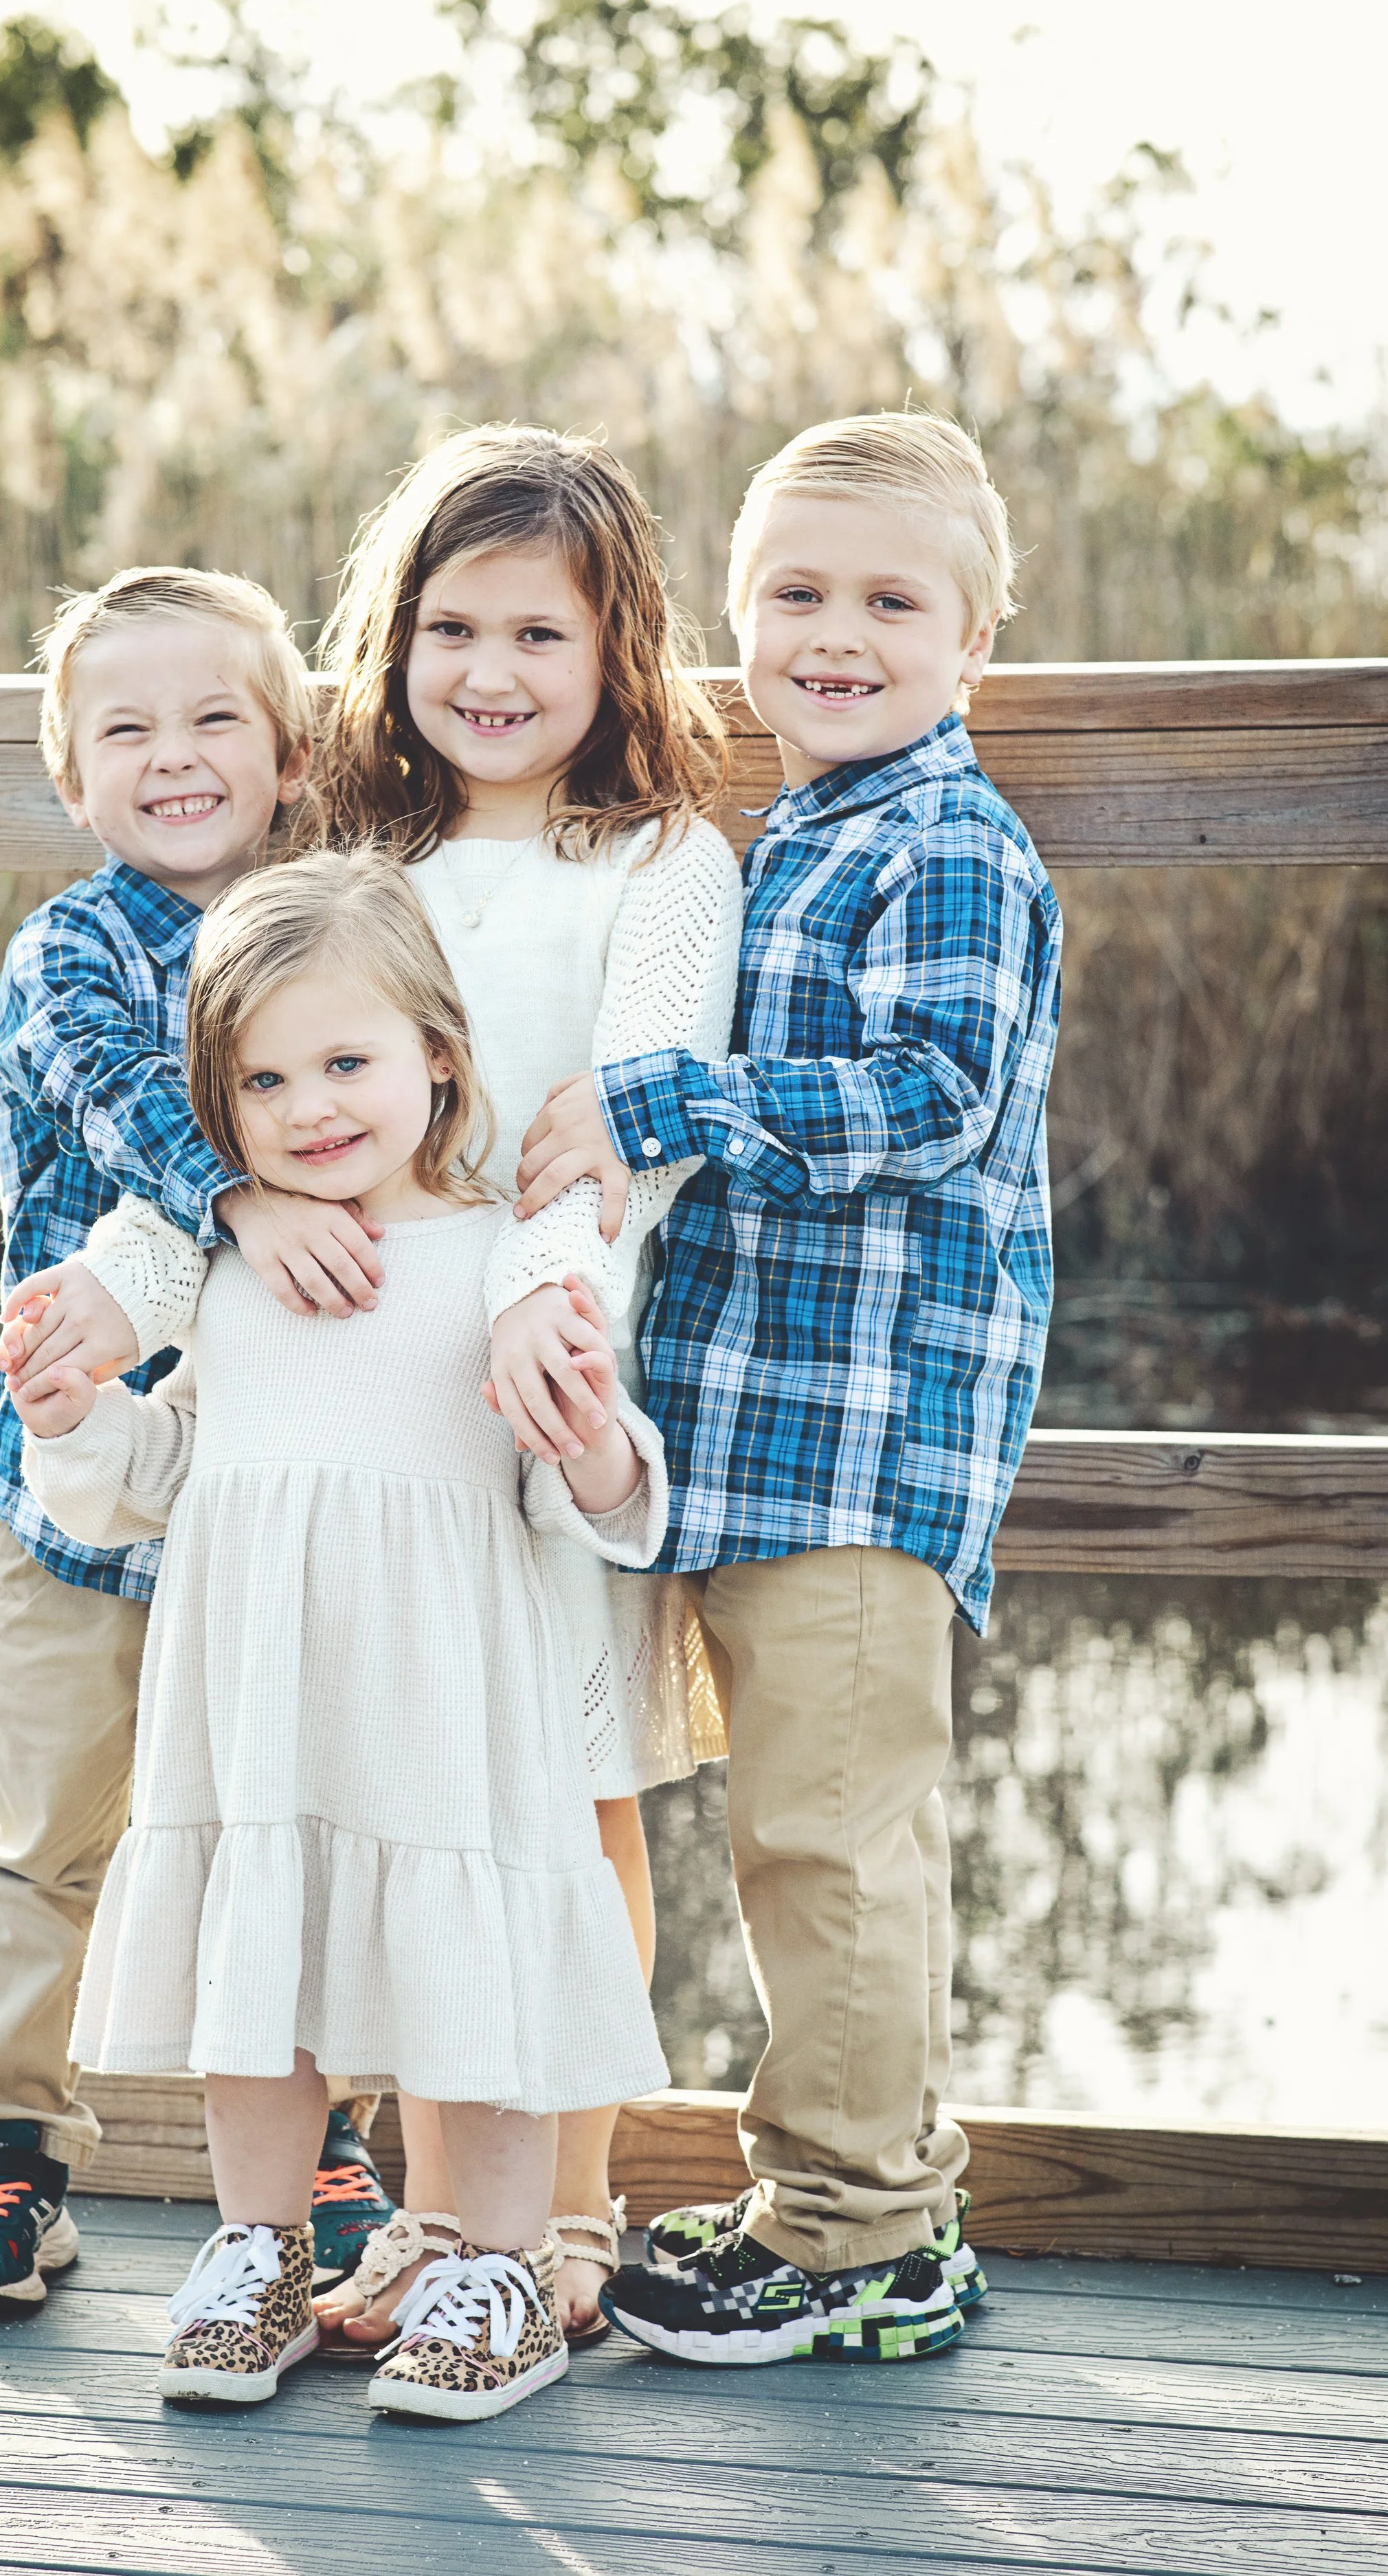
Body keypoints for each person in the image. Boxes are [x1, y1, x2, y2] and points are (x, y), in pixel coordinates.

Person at [0, 427, 743, 2342]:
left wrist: (535, 1300)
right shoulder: (359, 848)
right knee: (381, 1782)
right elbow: (269, 1052)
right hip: (348, 1333)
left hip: (537, 1346)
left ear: (615, 649)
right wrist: (235, 1203)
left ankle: (555, 2214)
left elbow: (612, 1132)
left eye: (537, 634)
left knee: (564, 1786)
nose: (488, 672)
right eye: (448, 626)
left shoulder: (656, 857)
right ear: (391, 640)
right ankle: (418, 2221)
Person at [514, 412, 1063, 2365]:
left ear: (972, 641)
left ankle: (864, 2230)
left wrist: (661, 1099)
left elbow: (934, 1096)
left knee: (835, 1836)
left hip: (870, 1437)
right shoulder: (793, 832)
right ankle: (834, 2187)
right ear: (737, 621)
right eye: (795, 595)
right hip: (744, 1443)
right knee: (785, 1833)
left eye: (889, 600)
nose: (835, 633)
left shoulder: (947, 841)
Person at [12, 850, 670, 2421]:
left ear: (437, 1055)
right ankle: (263, 2246)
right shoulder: (226, 1263)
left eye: (349, 1063)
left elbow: (600, 1494)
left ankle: (495, 2267)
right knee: (264, 1983)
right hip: (259, 1696)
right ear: (215, 1107)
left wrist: (584, 1443)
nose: (312, 1108)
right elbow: (163, 1480)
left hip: (446, 1694)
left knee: (469, 1973)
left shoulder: (510, 1256)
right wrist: (71, 1419)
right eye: (265, 1080)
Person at [0, 567, 395, 2320]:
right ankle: (8, 2159)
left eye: (215, 722)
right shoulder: (74, 950)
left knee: (303, 1809)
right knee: (42, 1829)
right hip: (70, 1489)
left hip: (278, 1489)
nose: (174, 758)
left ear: (288, 751)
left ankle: (326, 2140)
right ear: (71, 774)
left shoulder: (345, 932)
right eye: (126, 730)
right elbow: (131, 1101)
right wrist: (243, 1195)